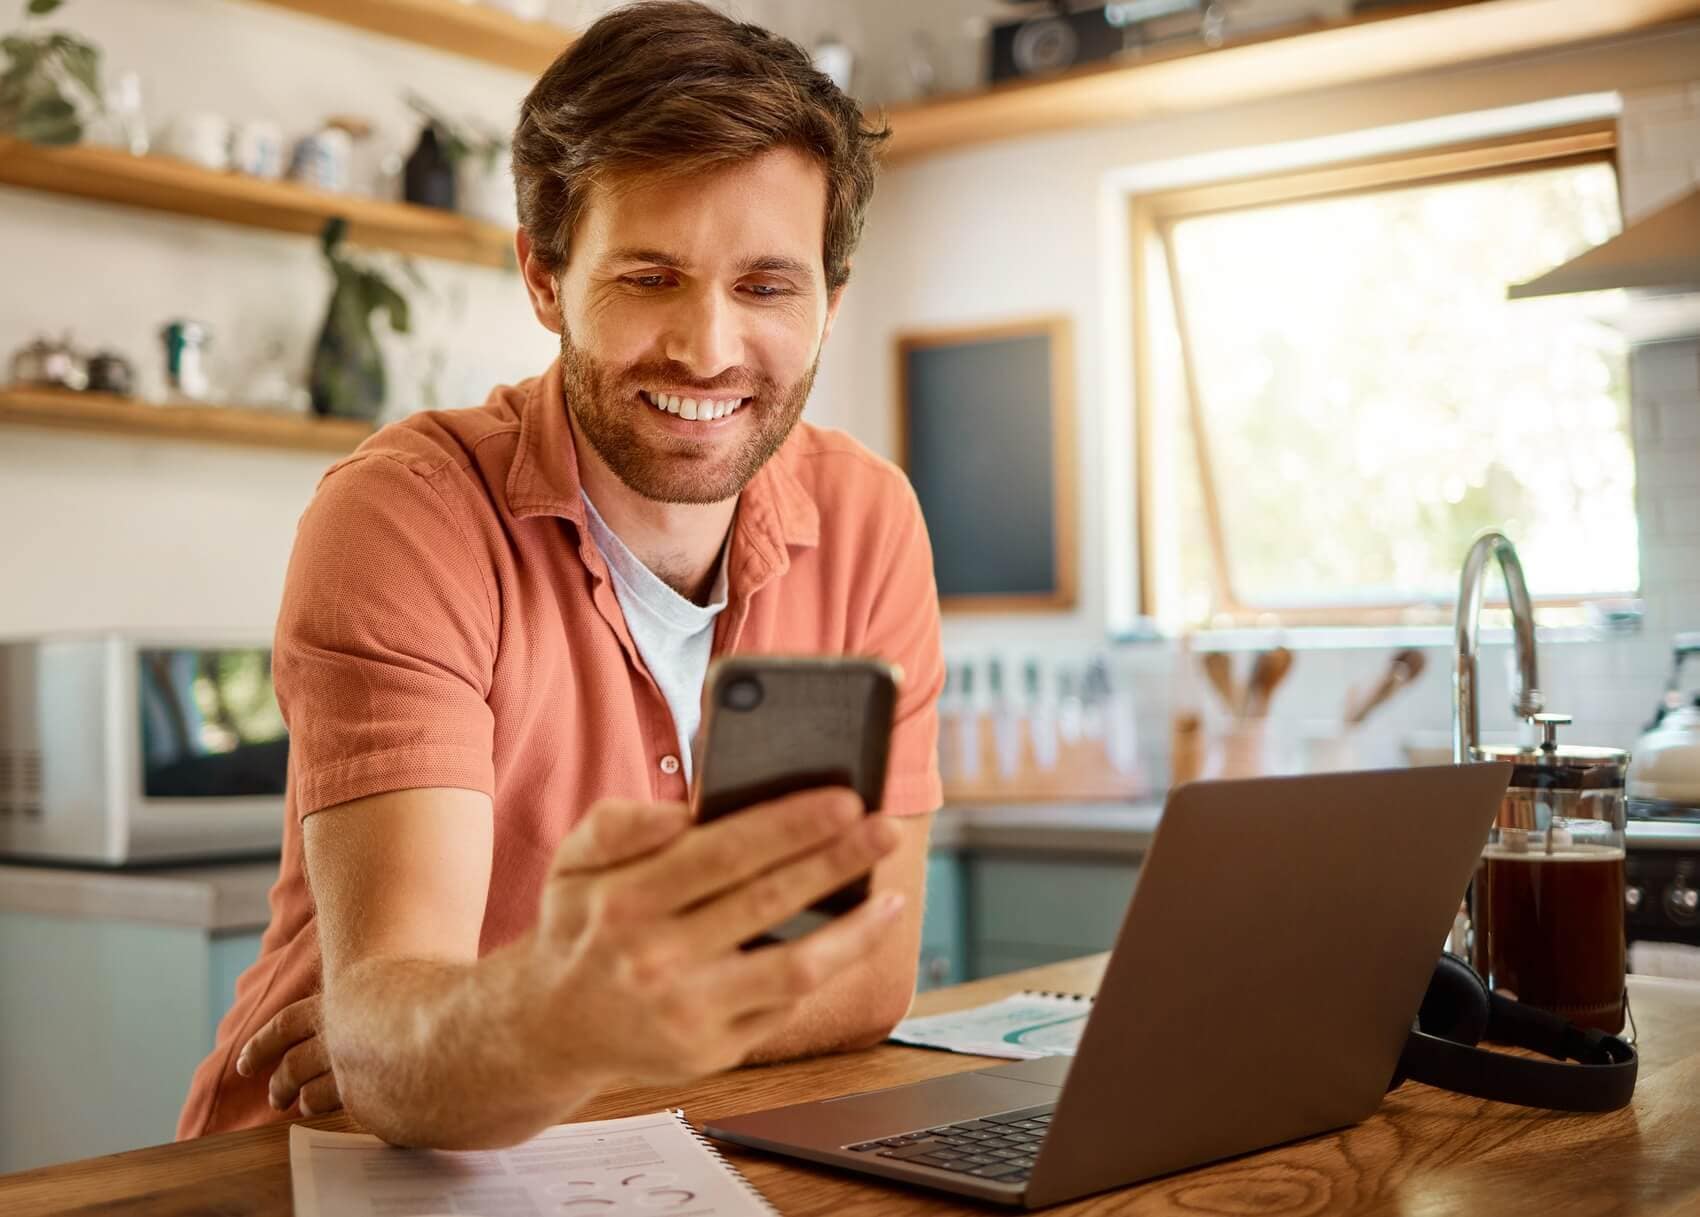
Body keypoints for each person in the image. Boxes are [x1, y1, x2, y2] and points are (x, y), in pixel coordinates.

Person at [176, 0, 943, 1149]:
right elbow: (390, 1039)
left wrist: (538, 1029)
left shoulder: (868, 518)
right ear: (543, 276)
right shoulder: (404, 518)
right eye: (648, 276)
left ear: (831, 299)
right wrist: (451, 1039)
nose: (707, 347)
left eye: (767, 286)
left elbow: (870, 966)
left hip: (657, 1143)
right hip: (329, 1169)